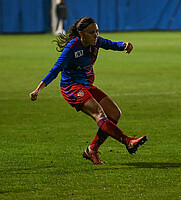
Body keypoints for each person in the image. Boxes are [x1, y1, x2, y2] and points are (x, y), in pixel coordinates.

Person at [29, 16, 147, 165]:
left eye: (97, 31)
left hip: (86, 85)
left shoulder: (96, 42)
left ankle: (91, 150)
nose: (96, 35)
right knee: (99, 113)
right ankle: (127, 141)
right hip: (71, 87)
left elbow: (110, 44)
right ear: (81, 33)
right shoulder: (72, 48)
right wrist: (38, 89)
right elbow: (55, 69)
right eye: (92, 32)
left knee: (115, 113)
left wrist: (124, 45)